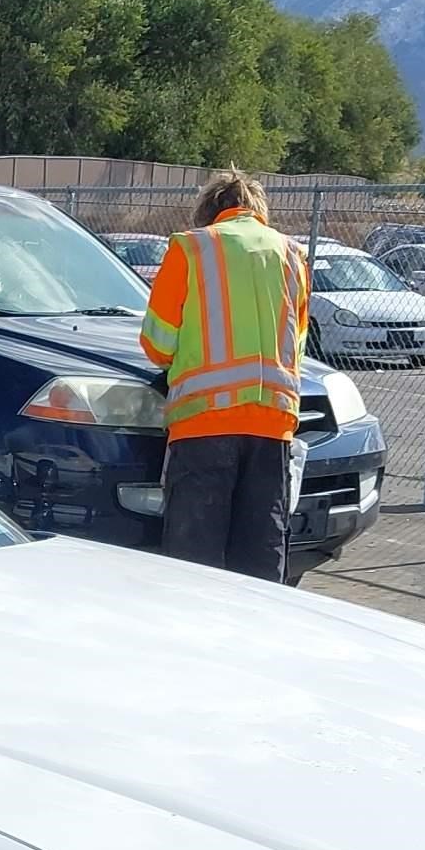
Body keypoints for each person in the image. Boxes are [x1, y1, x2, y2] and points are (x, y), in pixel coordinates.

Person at [137, 169, 310, 583]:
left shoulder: (191, 248)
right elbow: (297, 340)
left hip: (203, 421)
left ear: (209, 211)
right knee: (261, 553)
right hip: (272, 423)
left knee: (194, 557)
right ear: (257, 211)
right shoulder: (292, 255)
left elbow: (157, 343)